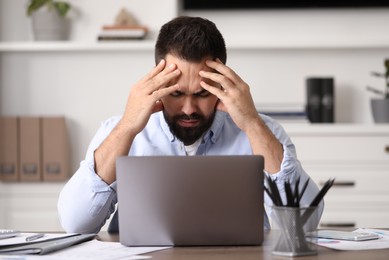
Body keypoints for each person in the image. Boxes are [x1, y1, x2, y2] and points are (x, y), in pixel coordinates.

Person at [58, 16, 323, 234]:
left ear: (221, 85)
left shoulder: (264, 132)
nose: (188, 109)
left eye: (201, 94)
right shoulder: (118, 131)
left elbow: (304, 226)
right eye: (175, 93)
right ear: (157, 85)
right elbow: (75, 223)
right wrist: (128, 126)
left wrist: (252, 123)